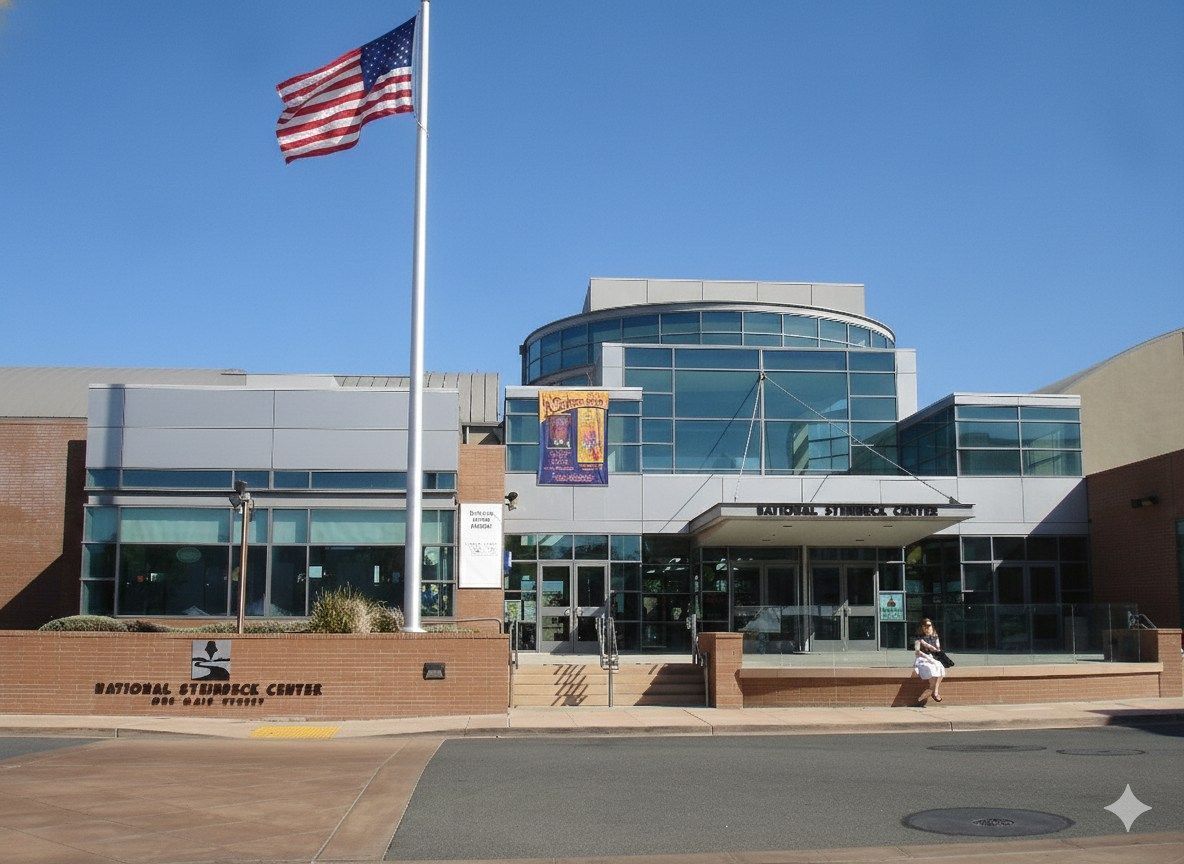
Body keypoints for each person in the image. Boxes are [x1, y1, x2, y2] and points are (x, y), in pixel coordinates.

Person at [913, 618, 946, 703]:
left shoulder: (934, 636)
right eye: (925, 626)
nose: (927, 627)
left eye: (929, 625)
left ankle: (934, 691)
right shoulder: (918, 638)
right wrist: (926, 655)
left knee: (940, 667)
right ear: (922, 627)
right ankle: (932, 692)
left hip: (932, 657)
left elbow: (937, 649)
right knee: (931, 668)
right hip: (922, 658)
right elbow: (917, 651)